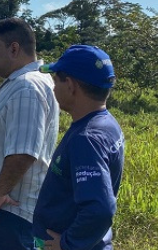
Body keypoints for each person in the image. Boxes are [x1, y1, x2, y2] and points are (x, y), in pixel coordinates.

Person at [0, 18, 59, 249]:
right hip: (3, 209)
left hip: (8, 211)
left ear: (14, 48)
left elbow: (23, 151)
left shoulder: (27, 87)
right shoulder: (21, 83)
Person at [32, 45, 125, 250]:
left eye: (56, 80)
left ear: (71, 85)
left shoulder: (87, 138)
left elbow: (100, 209)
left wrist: (67, 244)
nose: (54, 87)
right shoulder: (107, 123)